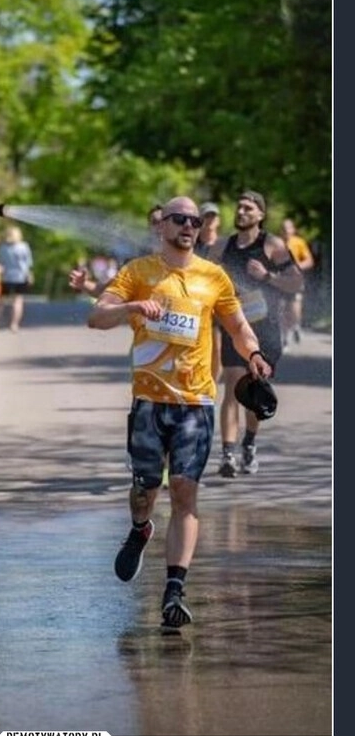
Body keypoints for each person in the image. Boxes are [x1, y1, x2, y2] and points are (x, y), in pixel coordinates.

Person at [87, 196, 271, 633]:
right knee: (145, 491)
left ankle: (174, 591)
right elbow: (96, 317)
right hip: (149, 403)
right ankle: (140, 529)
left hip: (195, 405)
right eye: (180, 220)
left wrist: (255, 355)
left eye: (195, 221)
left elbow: (239, 327)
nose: (189, 226)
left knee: (185, 493)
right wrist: (131, 308)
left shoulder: (213, 276)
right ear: (161, 227)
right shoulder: (138, 273)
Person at [211, 191, 303, 479]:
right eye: (239, 207)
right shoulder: (222, 246)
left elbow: (296, 282)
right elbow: (204, 276)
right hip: (234, 325)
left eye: (248, 209)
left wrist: (267, 276)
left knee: (253, 388)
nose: (241, 212)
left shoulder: (273, 246)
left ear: (260, 215)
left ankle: (248, 444)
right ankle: (227, 454)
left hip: (265, 329)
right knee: (232, 387)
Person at [68, 204, 163, 298]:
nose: (160, 226)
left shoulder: (177, 260)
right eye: (155, 222)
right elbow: (106, 291)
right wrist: (83, 284)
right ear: (149, 228)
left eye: (164, 221)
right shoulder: (136, 265)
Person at [195, 202, 223, 379]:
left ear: (218, 220)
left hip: (217, 303)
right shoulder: (191, 244)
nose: (210, 220)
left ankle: (210, 391)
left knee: (216, 347)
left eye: (213, 216)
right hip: (194, 303)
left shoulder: (225, 245)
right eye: (206, 216)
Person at [279, 218, 315, 345]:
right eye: (283, 228)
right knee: (282, 306)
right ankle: (285, 336)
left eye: (288, 228)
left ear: (293, 230)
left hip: (296, 279)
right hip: (280, 280)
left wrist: (298, 266)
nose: (286, 231)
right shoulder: (276, 244)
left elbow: (309, 261)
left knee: (295, 303)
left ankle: (296, 326)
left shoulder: (299, 243)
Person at [0, 225, 34, 331]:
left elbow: (0, 263)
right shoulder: (24, 246)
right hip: (20, 276)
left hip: (7, 277)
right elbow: (28, 263)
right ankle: (14, 324)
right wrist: (29, 275)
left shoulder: (3, 247)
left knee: (1, 300)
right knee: (18, 301)